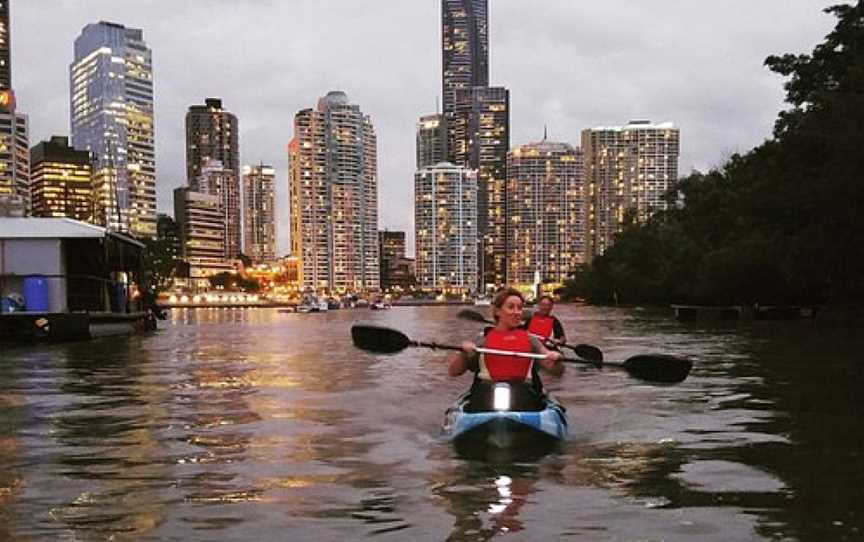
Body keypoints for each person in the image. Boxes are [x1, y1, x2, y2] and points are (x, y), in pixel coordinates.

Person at [448, 288, 563, 408]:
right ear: (498, 311)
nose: (517, 312)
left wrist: (554, 358)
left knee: (525, 394)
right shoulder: (482, 340)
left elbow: (555, 370)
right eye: (511, 307)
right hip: (486, 395)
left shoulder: (531, 339)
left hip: (522, 395)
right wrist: (463, 353)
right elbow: (453, 372)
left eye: (519, 308)